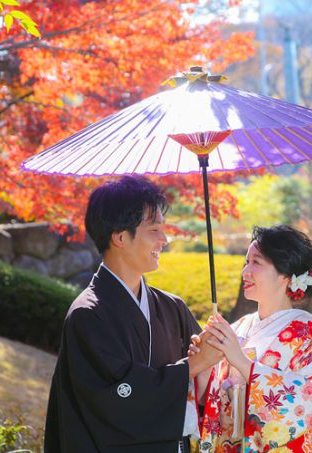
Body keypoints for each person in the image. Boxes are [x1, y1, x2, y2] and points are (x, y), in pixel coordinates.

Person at [44, 175, 221, 453]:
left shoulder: (172, 308)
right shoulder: (88, 315)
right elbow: (116, 403)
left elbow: (208, 389)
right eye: (154, 230)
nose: (164, 239)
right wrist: (192, 367)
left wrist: (211, 358)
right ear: (120, 237)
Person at [190, 225, 312, 452]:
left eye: (256, 263)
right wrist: (204, 368)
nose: (245, 272)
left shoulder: (307, 333)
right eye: (246, 262)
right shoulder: (240, 327)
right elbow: (215, 402)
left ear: (285, 275)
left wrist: (242, 362)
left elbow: (308, 405)